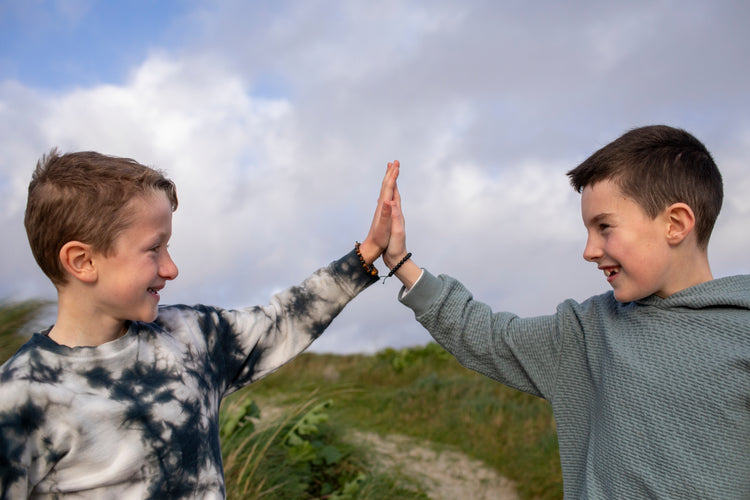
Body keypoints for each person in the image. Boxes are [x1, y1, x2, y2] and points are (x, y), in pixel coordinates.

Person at [0, 150, 400, 499]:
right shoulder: (20, 401)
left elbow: (282, 321)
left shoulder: (190, 338)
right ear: (82, 261)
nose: (171, 268)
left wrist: (366, 254)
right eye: (154, 248)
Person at [382, 125, 750, 498]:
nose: (589, 250)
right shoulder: (588, 331)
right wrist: (399, 262)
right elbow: (489, 337)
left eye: (604, 227)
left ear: (676, 224)